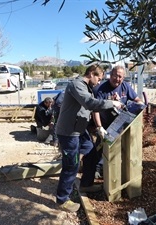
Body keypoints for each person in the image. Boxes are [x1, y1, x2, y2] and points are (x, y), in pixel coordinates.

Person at [55, 65, 123, 212]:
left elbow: (94, 106)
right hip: (69, 132)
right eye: (98, 78)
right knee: (71, 165)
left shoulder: (86, 87)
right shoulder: (77, 85)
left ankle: (86, 183)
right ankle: (62, 199)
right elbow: (89, 103)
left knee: (91, 154)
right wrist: (112, 103)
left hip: (79, 129)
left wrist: (110, 101)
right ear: (91, 74)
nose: (99, 82)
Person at [92, 65, 145, 178]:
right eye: (115, 76)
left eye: (120, 77)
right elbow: (95, 110)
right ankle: (97, 169)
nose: (117, 79)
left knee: (120, 147)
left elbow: (136, 99)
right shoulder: (101, 89)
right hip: (105, 123)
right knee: (101, 147)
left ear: (123, 77)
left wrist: (140, 104)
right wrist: (99, 127)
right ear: (110, 75)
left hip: (121, 122)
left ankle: (115, 169)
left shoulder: (125, 86)